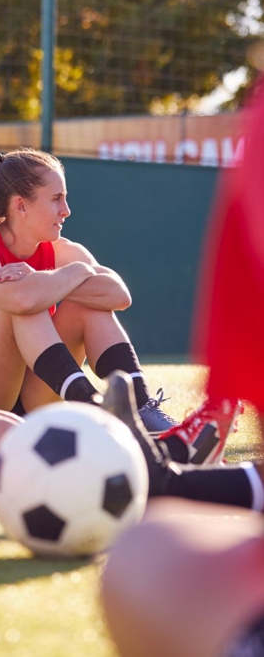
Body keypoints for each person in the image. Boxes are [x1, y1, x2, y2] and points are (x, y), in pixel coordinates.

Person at [101, 72, 264, 657]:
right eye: (55, 199)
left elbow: (112, 293)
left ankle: (165, 469)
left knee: (146, 557)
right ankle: (168, 471)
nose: (65, 210)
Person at [0, 149, 191, 435]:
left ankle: (142, 408)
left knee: (85, 305)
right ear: (21, 206)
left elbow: (119, 295)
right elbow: (21, 300)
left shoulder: (61, 251)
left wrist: (49, 276)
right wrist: (75, 273)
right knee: (20, 305)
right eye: (56, 199)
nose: (67, 210)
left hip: (25, 394)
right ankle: (93, 407)